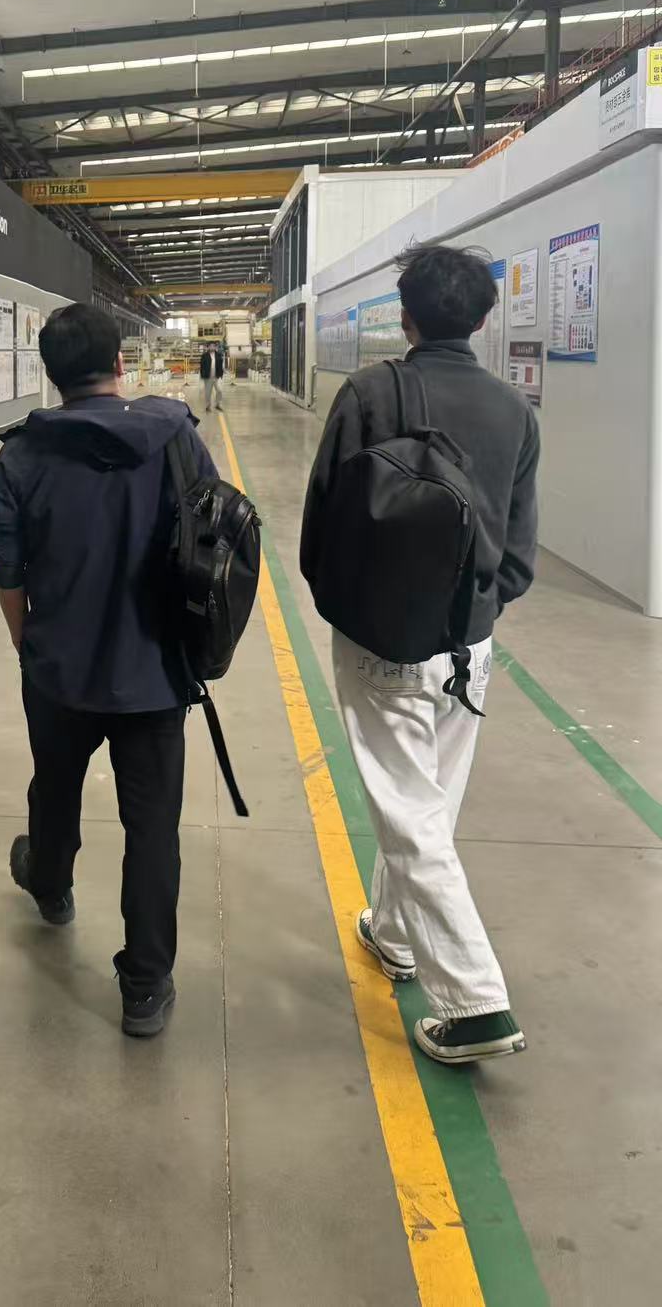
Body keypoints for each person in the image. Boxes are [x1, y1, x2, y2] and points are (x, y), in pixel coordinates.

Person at [301, 245, 539, 1065]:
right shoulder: (514, 410)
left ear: (404, 316)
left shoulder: (371, 393)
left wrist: (351, 608)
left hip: (381, 636)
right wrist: (476, 609)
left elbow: (322, 522)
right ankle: (396, 932)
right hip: (469, 639)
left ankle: (474, 1002)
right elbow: (519, 553)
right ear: (483, 317)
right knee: (430, 798)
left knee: (409, 808)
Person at [0, 303, 217, 1038]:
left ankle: (51, 886)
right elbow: (215, 543)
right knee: (152, 826)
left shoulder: (23, 454)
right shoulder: (176, 438)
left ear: (50, 374)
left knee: (54, 788)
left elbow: (8, 567)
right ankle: (145, 986)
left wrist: (27, 645)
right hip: (156, 671)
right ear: (120, 364)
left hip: (58, 668)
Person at [199, 341, 226, 413]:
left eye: (213, 346)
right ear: (208, 347)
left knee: (219, 391)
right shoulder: (204, 356)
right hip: (208, 377)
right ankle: (208, 406)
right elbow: (202, 366)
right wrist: (202, 375)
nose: (212, 347)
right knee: (208, 393)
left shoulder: (218, 355)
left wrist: (221, 373)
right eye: (210, 346)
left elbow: (221, 365)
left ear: (215, 347)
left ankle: (217, 404)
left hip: (216, 377)